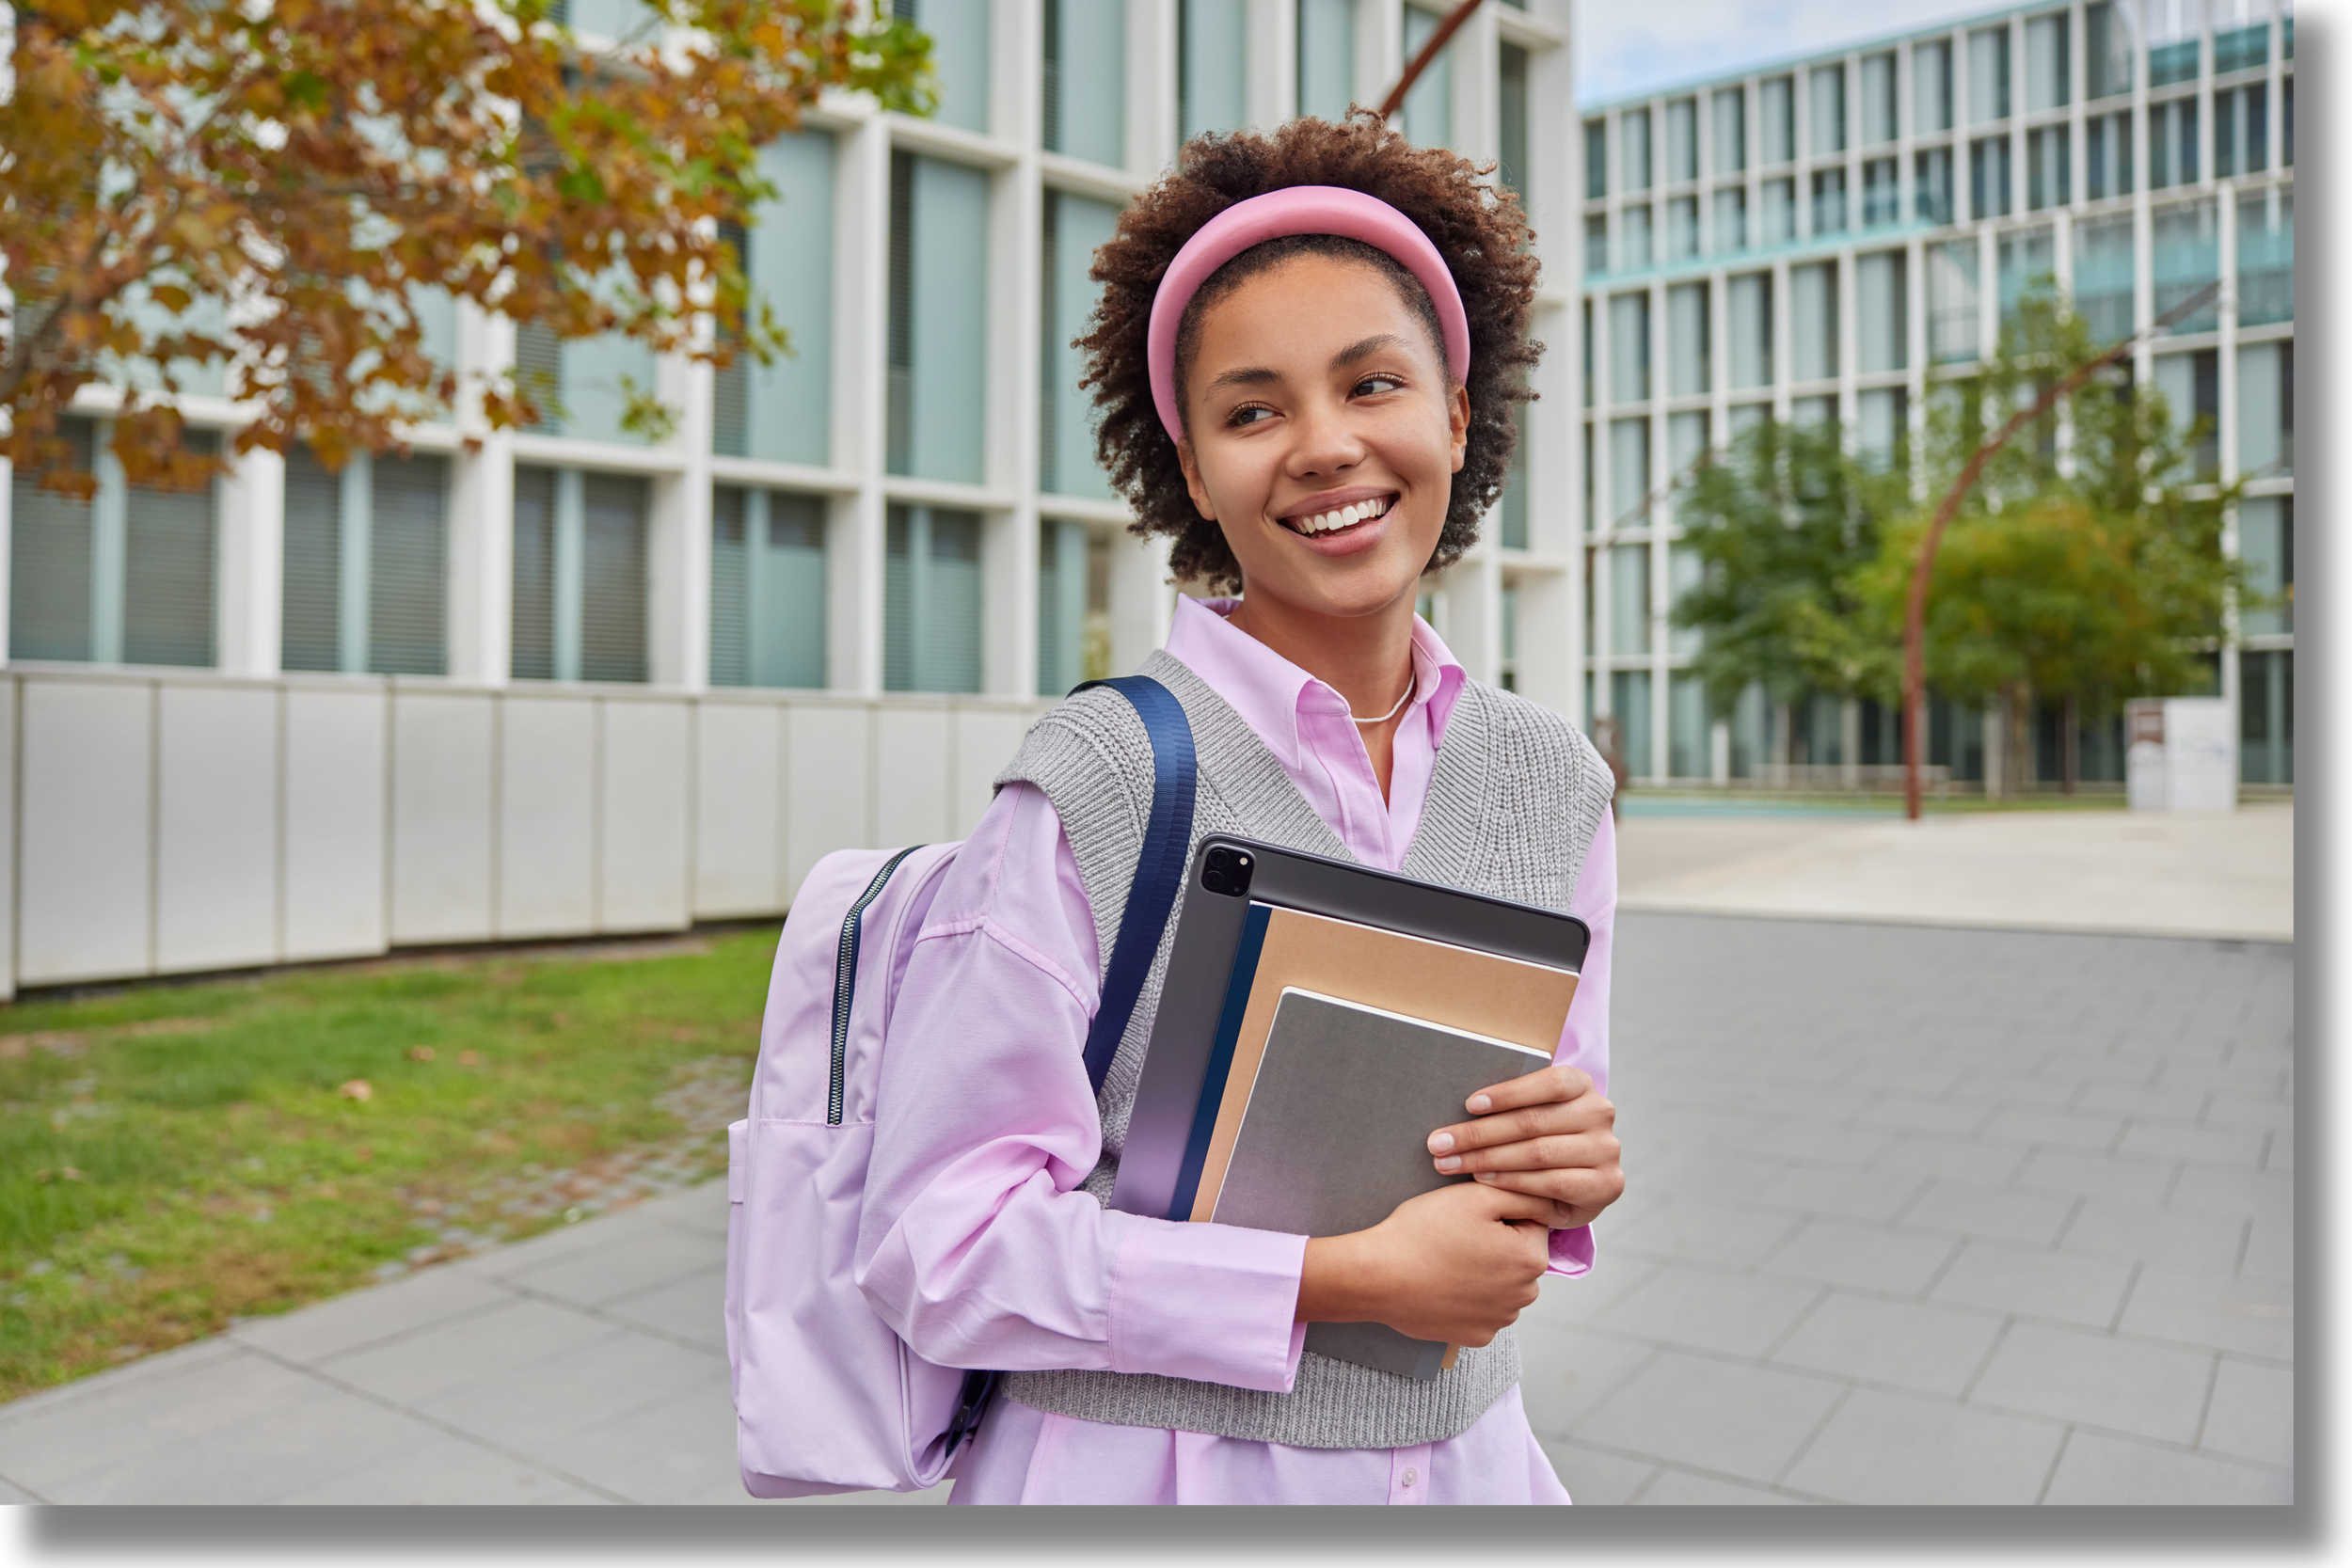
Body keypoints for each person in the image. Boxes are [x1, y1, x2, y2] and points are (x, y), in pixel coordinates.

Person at [858, 114, 1624, 1506]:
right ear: (1194, 471)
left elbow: (1528, 1133)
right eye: (1253, 409)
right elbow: (936, 1243)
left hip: (1462, 1465)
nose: (1325, 447)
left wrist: (1565, 1164)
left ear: (1455, 412)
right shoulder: (1095, 777)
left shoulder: (1550, 777)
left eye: (1373, 383)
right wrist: (1335, 1281)